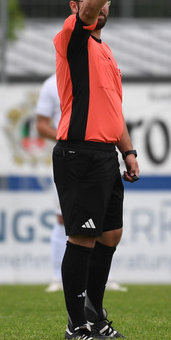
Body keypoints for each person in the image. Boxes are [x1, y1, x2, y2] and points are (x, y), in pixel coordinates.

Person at [52, 0, 139, 340]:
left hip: (106, 155)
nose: (102, 4)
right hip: (78, 153)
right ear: (76, 6)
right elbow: (88, 10)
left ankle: (94, 312)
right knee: (82, 238)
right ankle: (76, 323)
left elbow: (114, 111)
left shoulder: (106, 52)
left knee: (110, 235)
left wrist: (129, 152)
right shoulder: (72, 37)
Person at [36, 72, 127, 295]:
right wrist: (69, 137)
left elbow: (114, 116)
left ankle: (104, 279)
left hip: (98, 155)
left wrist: (128, 152)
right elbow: (40, 125)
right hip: (70, 158)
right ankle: (57, 277)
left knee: (104, 222)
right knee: (64, 218)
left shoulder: (97, 78)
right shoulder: (51, 84)